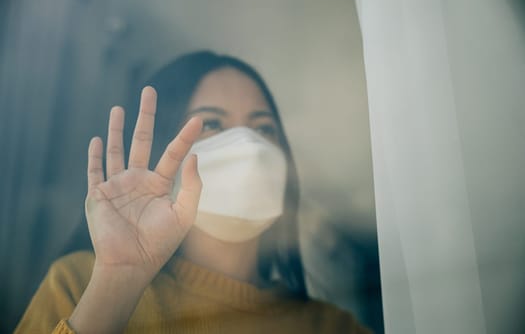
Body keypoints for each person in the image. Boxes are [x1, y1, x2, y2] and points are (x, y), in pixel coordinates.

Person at [15, 51, 371, 333]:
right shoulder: (80, 284)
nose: (248, 144)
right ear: (164, 150)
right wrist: (118, 281)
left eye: (264, 128)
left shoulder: (332, 327)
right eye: (212, 123)